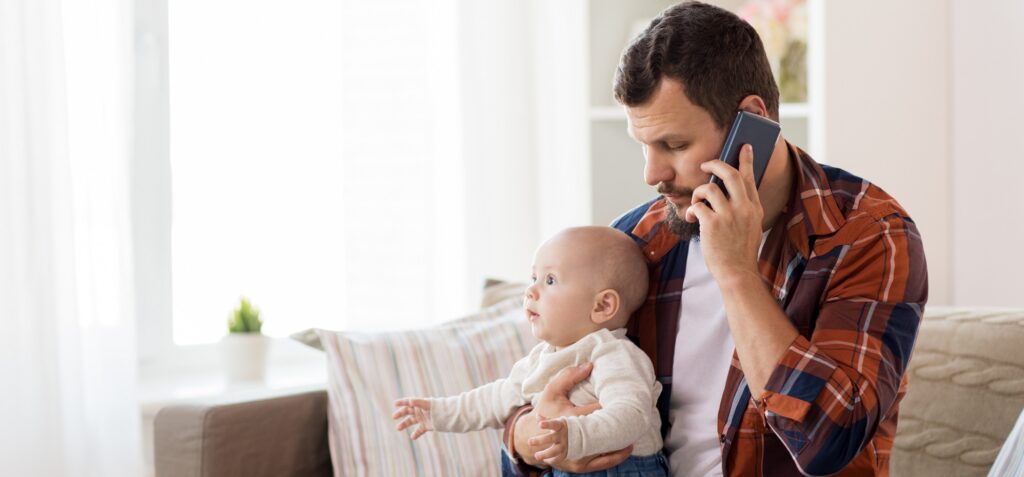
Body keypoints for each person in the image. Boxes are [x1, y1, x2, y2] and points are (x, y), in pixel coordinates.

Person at [503, 2, 929, 476]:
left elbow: (826, 442)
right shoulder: (639, 239)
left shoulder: (868, 235)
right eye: (643, 146)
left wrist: (735, 271)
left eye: (675, 145)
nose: (652, 174)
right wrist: (527, 439)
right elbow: (534, 387)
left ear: (752, 124)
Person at [392, 226, 670, 476]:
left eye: (549, 280)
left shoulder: (613, 355)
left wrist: (574, 436)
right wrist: (439, 413)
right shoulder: (542, 357)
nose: (530, 291)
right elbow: (495, 398)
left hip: (626, 469)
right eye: (534, 277)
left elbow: (631, 415)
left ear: (602, 306)